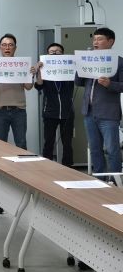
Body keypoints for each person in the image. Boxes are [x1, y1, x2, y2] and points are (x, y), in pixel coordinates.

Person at [75, 27, 123, 175]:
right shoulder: (89, 60)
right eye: (94, 39)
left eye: (100, 39)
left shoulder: (119, 62)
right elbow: (78, 82)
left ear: (110, 41)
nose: (95, 42)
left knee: (111, 149)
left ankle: (114, 181)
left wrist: (110, 84)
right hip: (89, 112)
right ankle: (99, 179)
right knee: (95, 149)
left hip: (108, 113)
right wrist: (80, 65)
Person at [0, 33, 35, 149]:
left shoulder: (22, 64)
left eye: (10, 45)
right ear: (0, 47)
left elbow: (28, 87)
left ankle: (22, 162)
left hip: (19, 110)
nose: (7, 48)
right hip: (0, 110)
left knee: (21, 143)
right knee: (0, 143)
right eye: (4, 45)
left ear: (15, 48)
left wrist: (31, 75)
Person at [35, 42, 75, 167]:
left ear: (62, 54)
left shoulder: (69, 69)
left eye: (58, 51)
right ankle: (46, 167)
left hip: (67, 112)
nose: (55, 53)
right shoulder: (45, 70)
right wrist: (39, 70)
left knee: (67, 142)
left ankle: (68, 167)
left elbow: (77, 80)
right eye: (51, 52)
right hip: (50, 111)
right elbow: (39, 86)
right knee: (49, 141)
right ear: (47, 54)